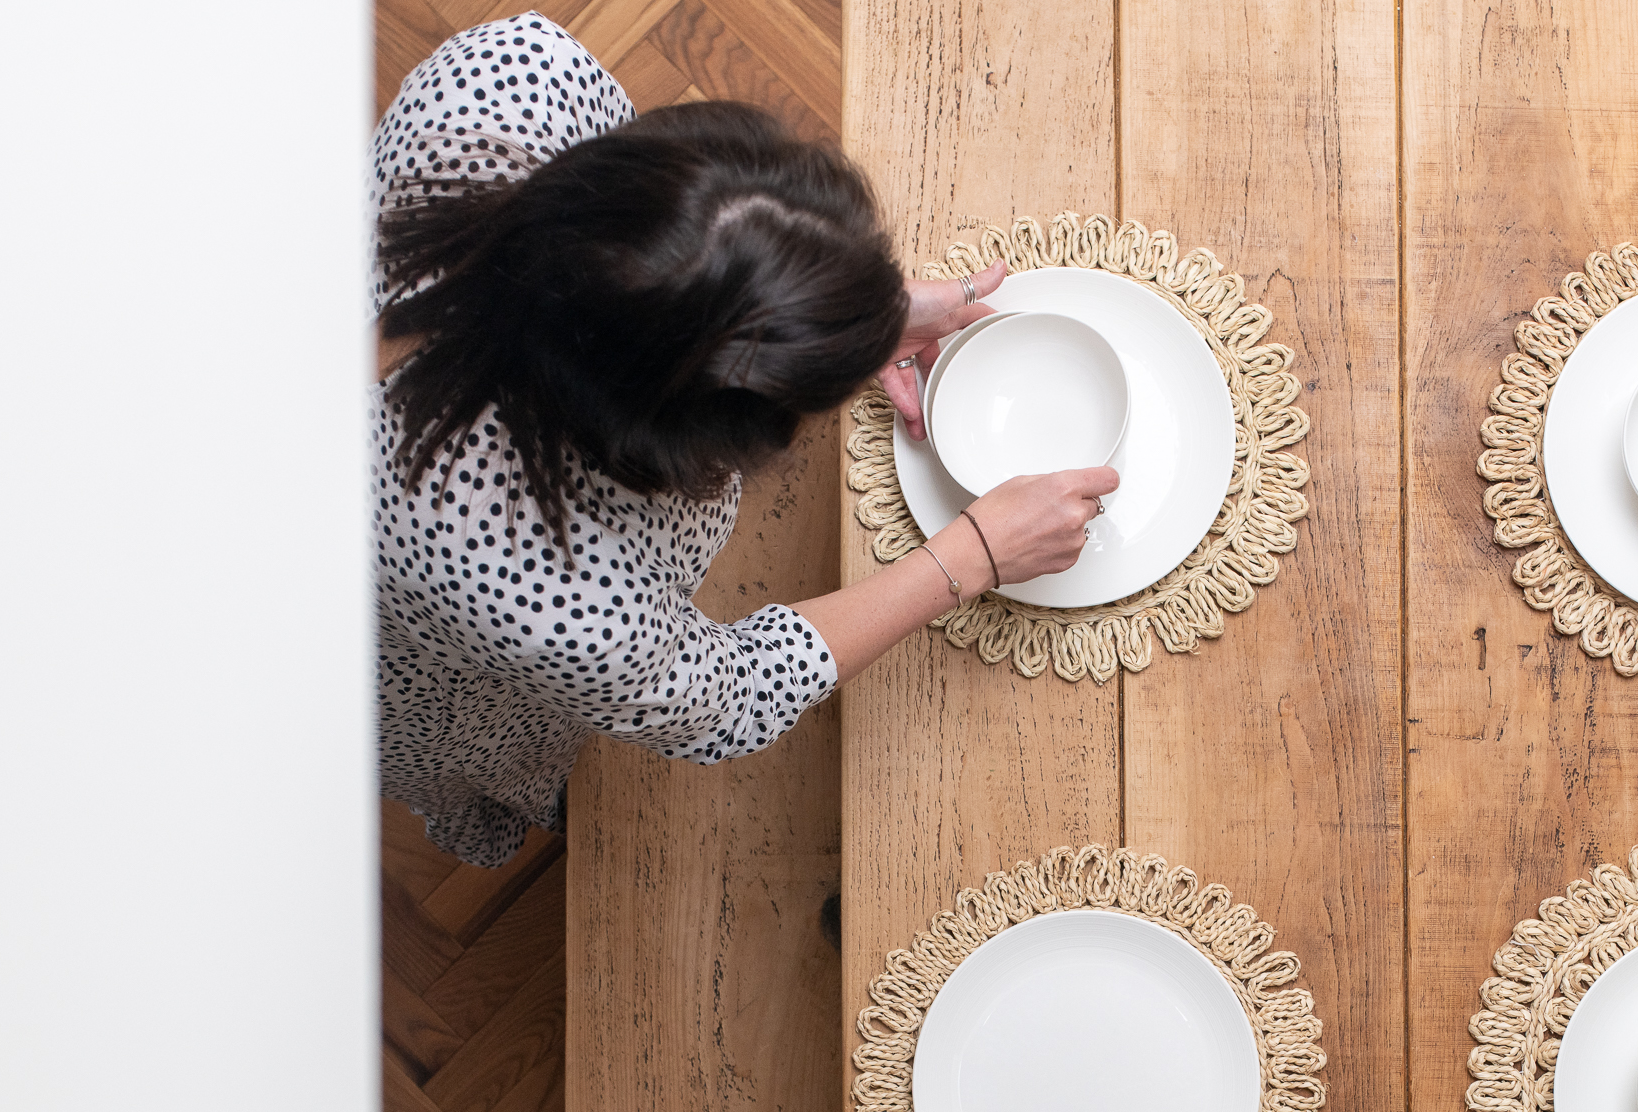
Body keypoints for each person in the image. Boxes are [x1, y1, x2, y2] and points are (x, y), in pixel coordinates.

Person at [373, 13, 1116, 865]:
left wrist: (839, 310)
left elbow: (660, 254)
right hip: (413, 654)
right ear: (701, 445)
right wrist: (972, 555)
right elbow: (727, 697)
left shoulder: (510, 73)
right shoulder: (557, 593)